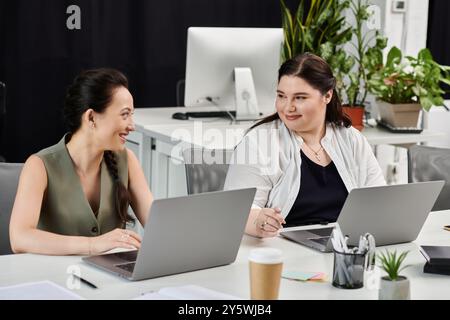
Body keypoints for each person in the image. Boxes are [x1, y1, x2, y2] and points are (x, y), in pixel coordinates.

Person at [224, 53, 386, 238]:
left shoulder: (352, 139)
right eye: (281, 96)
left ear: (327, 95)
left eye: (300, 98)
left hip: (345, 247)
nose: (288, 107)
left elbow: (377, 199)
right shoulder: (258, 142)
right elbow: (240, 210)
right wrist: (259, 221)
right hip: (284, 251)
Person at [9, 68, 153, 255]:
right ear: (91, 117)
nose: (132, 125)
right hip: (53, 278)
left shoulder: (128, 160)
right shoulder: (39, 166)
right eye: (125, 114)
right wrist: (92, 245)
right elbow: (19, 237)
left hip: (111, 281)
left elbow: (158, 225)